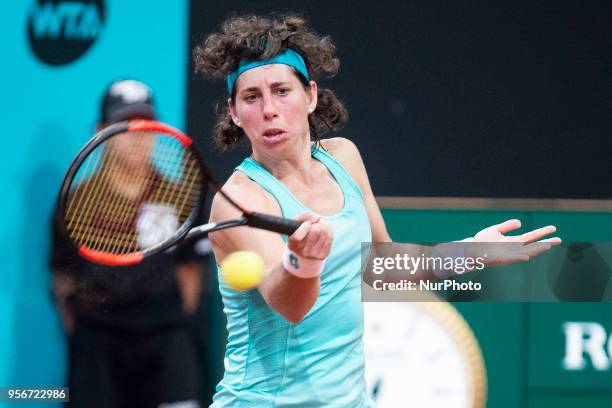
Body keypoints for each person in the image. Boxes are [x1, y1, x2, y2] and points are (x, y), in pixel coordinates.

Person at [193, 15, 560, 407]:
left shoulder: (343, 158)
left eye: (282, 91)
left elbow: (380, 267)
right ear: (234, 112)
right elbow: (289, 306)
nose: (269, 109)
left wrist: (470, 252)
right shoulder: (241, 198)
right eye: (251, 97)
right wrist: (303, 261)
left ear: (311, 96)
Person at [50, 79, 208, 408]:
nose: (138, 135)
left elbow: (191, 268)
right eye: (125, 125)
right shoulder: (75, 201)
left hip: (167, 342)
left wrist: (165, 318)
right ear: (101, 131)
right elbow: (62, 279)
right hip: (97, 346)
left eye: (146, 124)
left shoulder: (181, 198)